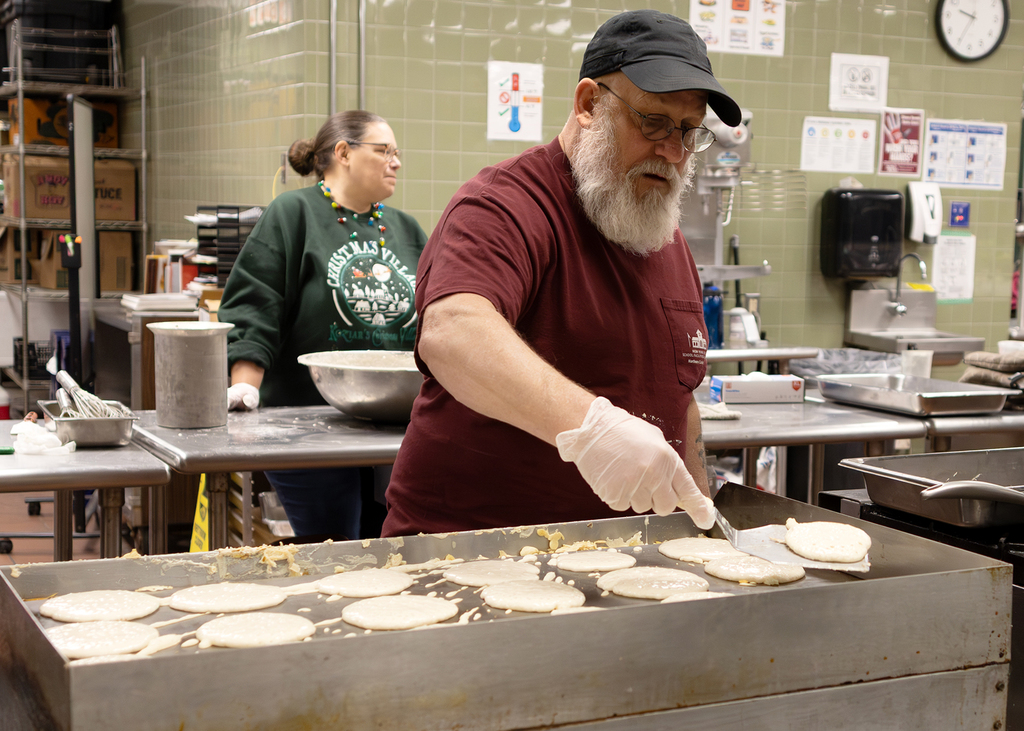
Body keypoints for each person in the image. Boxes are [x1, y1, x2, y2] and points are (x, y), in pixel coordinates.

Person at [382, 10, 741, 537]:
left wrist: (702, 522)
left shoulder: (665, 238)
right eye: (654, 122)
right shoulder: (507, 205)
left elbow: (679, 401)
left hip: (626, 567)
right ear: (590, 104)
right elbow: (453, 331)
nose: (672, 151)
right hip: (473, 554)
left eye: (689, 132)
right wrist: (593, 429)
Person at [218, 110, 427, 540]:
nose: (396, 162)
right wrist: (245, 383)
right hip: (307, 427)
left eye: (397, 153)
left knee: (391, 546)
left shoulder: (404, 229)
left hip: (394, 428)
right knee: (335, 546)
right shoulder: (293, 213)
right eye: (384, 150)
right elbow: (256, 303)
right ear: (343, 153)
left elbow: (435, 314)